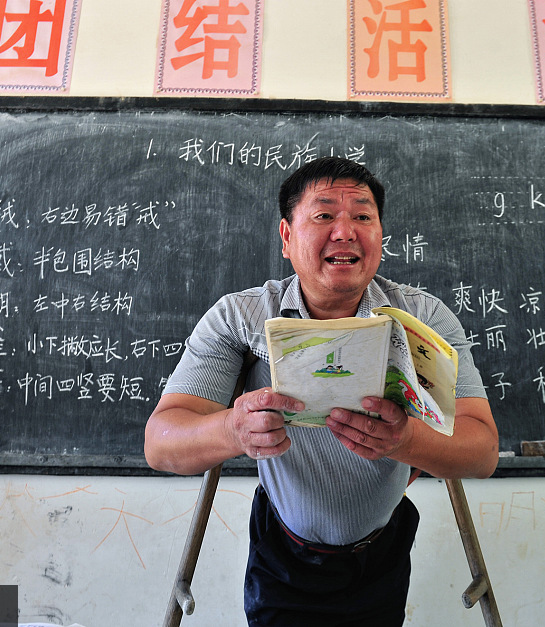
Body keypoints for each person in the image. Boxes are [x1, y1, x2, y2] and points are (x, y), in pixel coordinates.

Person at [145, 157, 498, 626]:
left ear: (380, 235)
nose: (345, 231)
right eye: (324, 214)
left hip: (384, 549)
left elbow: (482, 451)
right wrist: (232, 429)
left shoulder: (423, 319)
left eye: (363, 216)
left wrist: (406, 440)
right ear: (287, 236)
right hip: (282, 554)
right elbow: (161, 443)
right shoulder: (239, 318)